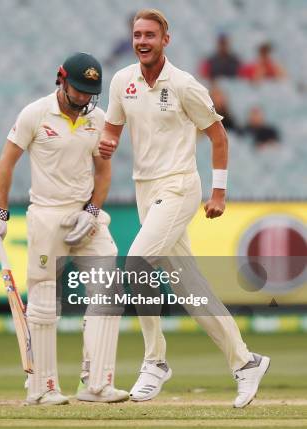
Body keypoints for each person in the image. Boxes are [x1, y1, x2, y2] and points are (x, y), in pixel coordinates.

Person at [99, 9, 270, 408]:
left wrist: (219, 193)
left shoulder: (184, 85)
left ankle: (154, 361)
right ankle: (246, 362)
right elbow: (112, 129)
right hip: (146, 190)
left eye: (150, 35)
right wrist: (106, 143)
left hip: (178, 188)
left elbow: (218, 137)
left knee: (137, 263)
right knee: (191, 289)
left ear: (165, 40)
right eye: (137, 34)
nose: (143, 41)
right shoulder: (122, 81)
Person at [0, 52, 128, 405]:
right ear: (61, 79)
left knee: (109, 292)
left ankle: (97, 384)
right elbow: (6, 163)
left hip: (84, 217)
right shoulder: (34, 114)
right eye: (78, 89)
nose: (83, 98)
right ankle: (41, 388)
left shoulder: (98, 119)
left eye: (90, 92)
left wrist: (92, 211)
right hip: (47, 215)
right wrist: (0, 213)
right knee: (45, 305)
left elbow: (104, 172)